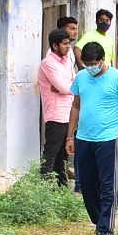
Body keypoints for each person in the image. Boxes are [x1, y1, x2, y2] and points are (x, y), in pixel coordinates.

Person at [69, 42, 118, 235]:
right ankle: (99, 220)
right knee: (86, 184)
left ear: (102, 60)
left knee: (108, 184)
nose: (90, 67)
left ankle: (105, 229)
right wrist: (70, 135)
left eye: (93, 63)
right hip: (83, 137)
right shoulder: (81, 77)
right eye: (86, 64)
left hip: (109, 137)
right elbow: (76, 106)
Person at [38, 28, 76, 186]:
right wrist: (66, 87)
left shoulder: (67, 61)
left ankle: (61, 188)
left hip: (69, 113)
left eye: (69, 43)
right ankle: (43, 188)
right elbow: (64, 87)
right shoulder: (48, 63)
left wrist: (66, 87)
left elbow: (73, 82)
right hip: (56, 114)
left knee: (63, 155)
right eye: (65, 44)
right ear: (55, 46)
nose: (68, 47)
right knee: (51, 154)